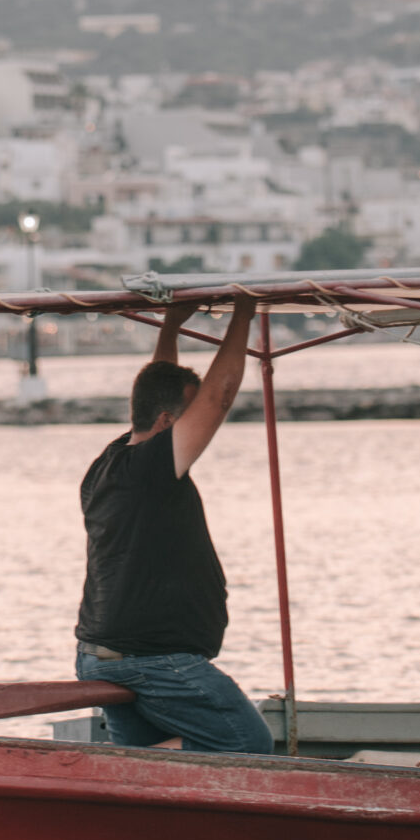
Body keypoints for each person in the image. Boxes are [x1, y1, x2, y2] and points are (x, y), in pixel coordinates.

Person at [75, 295, 274, 754]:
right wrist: (244, 311)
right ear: (166, 424)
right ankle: (132, 767)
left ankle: (138, 779)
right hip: (152, 662)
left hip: (104, 656)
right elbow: (219, 396)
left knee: (152, 765)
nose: (198, 431)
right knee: (247, 745)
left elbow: (157, 388)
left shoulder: (112, 460)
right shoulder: (150, 469)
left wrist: (170, 329)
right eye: (188, 422)